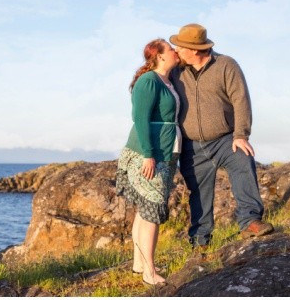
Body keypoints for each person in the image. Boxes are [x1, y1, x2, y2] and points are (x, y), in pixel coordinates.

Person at [169, 23, 273, 250]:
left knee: (243, 162)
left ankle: (250, 221)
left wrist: (241, 135)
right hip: (191, 145)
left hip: (226, 139)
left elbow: (241, 99)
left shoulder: (226, 65)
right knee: (198, 193)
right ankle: (200, 242)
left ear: (195, 50)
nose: (175, 50)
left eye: (180, 47)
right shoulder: (176, 69)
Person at [115, 38, 182, 287]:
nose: (176, 52)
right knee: (152, 210)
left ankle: (139, 264)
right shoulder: (149, 81)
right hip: (151, 153)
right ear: (161, 56)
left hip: (168, 150)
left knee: (145, 212)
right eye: (171, 49)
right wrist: (148, 154)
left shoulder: (168, 80)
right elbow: (139, 118)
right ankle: (149, 272)